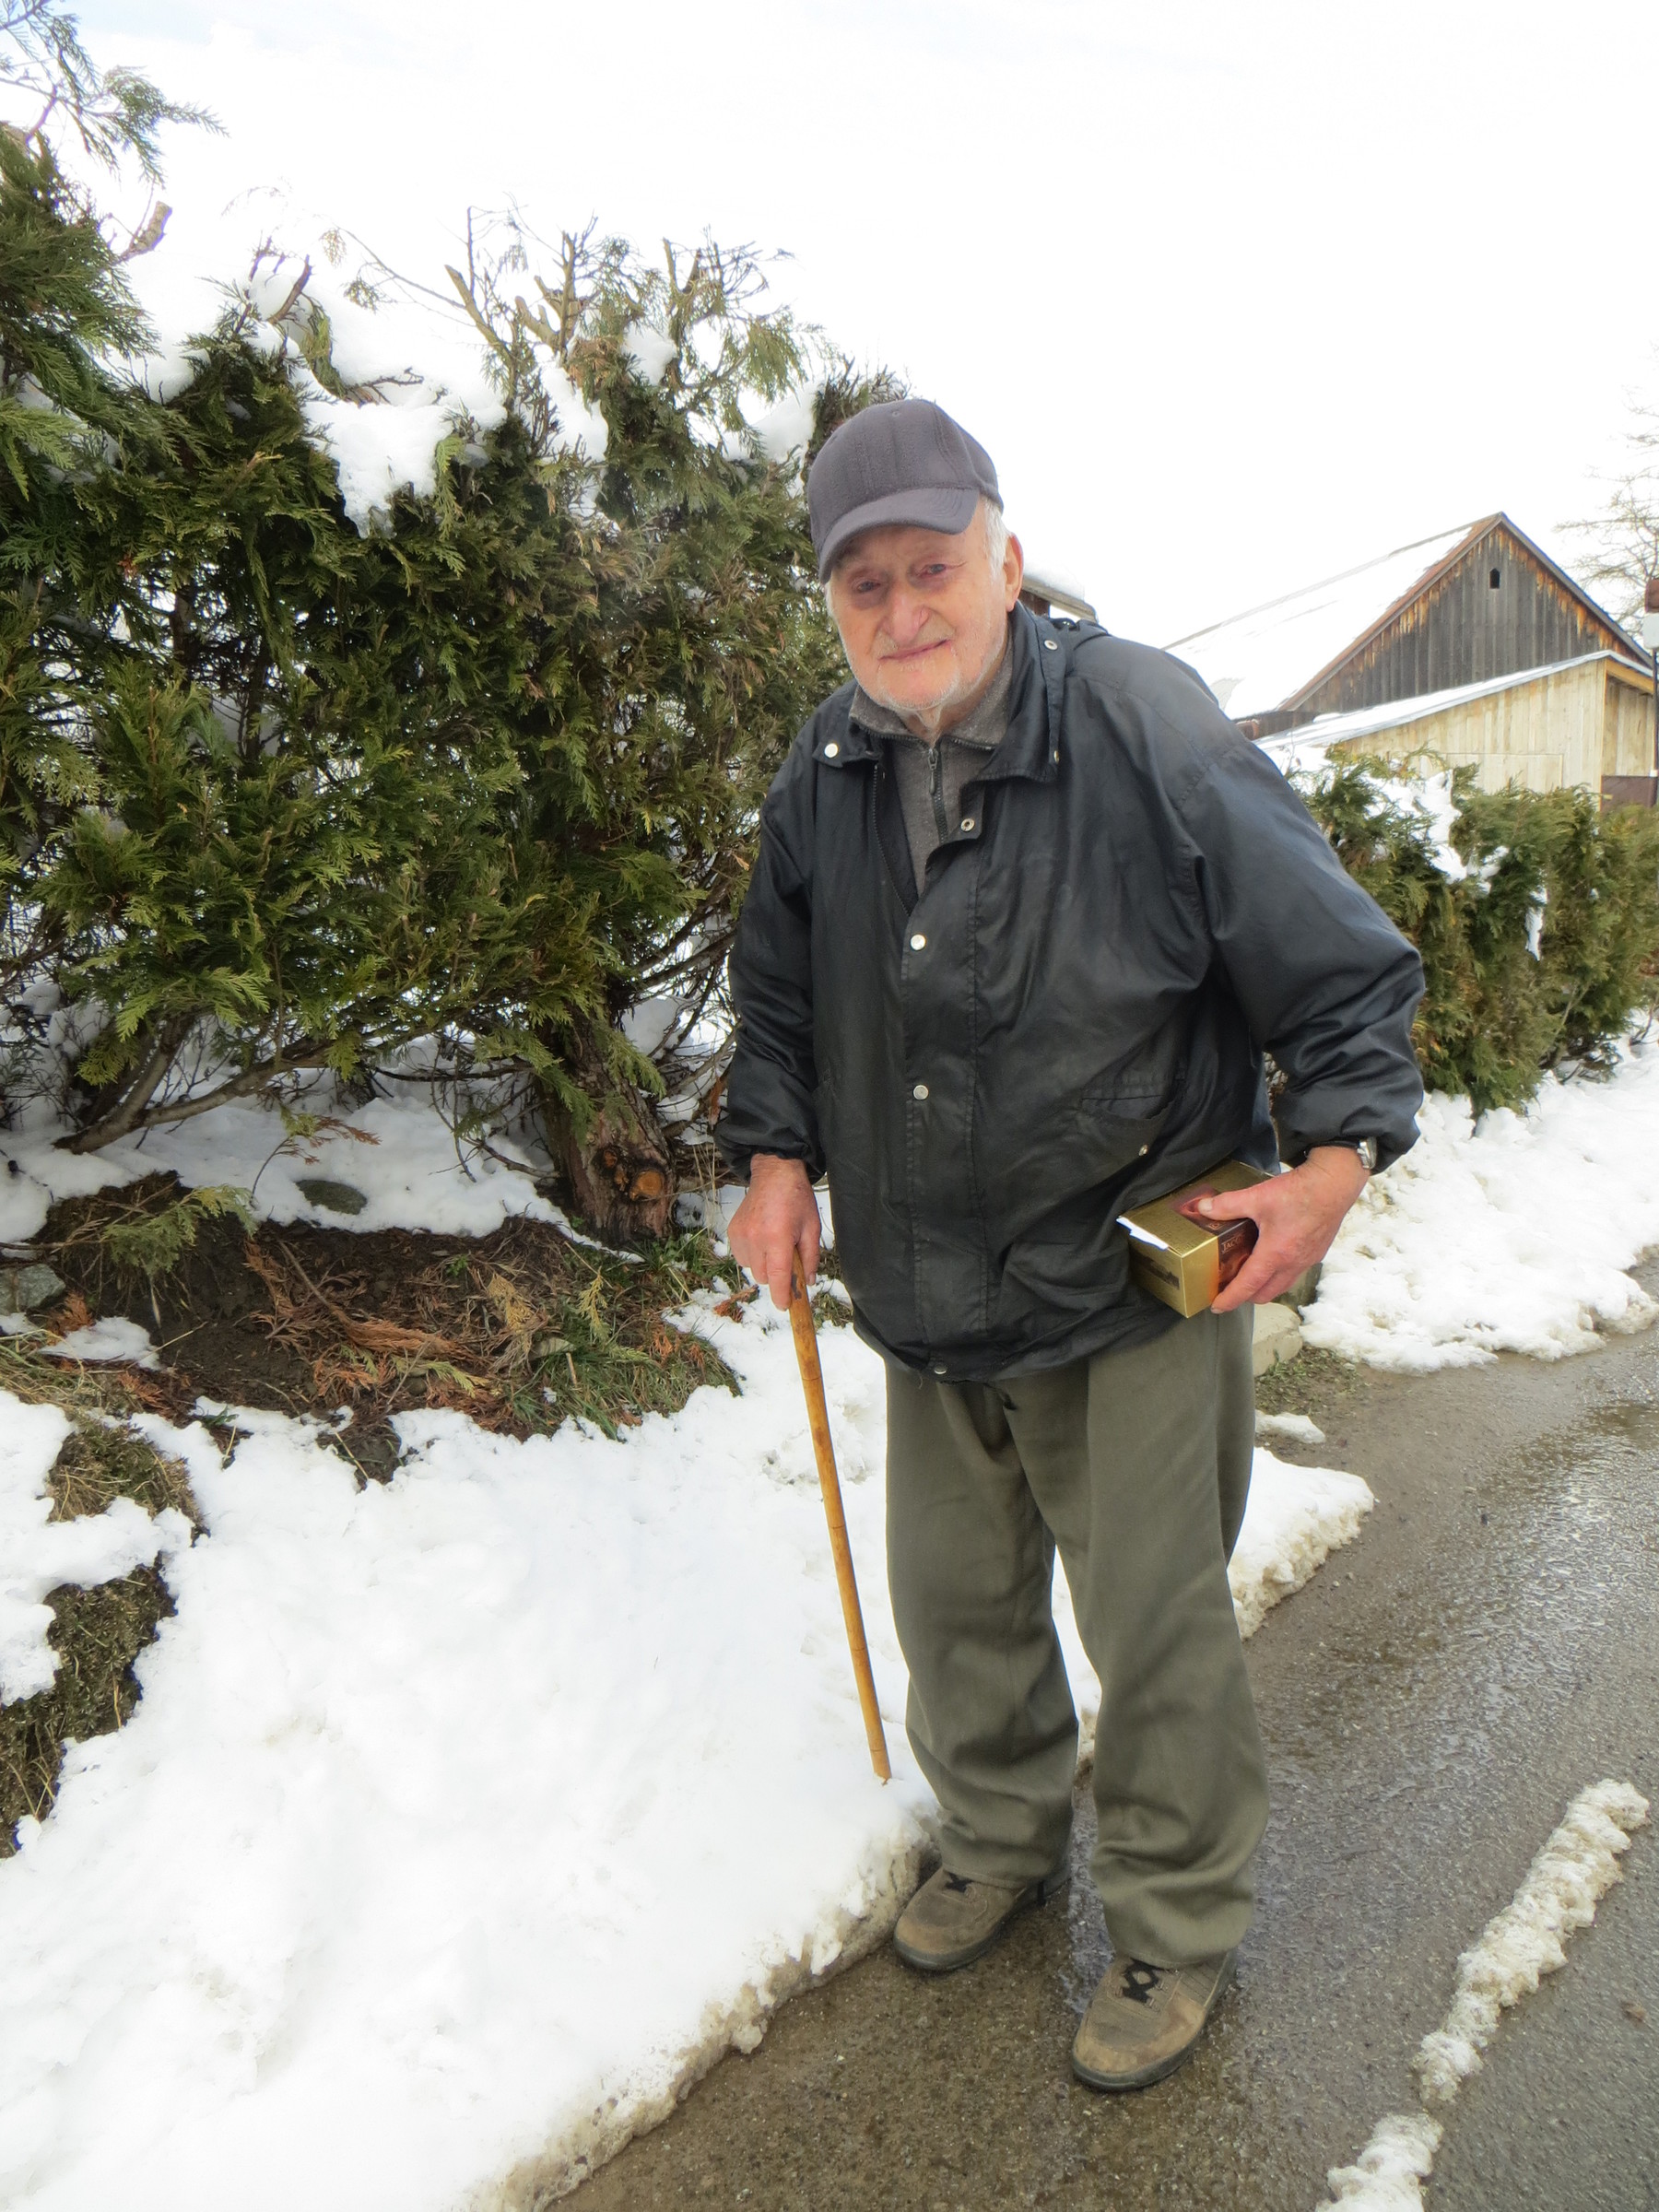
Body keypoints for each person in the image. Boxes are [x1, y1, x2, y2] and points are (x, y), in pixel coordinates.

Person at [717, 398, 1423, 2090]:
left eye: (933, 567)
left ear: (1007, 558)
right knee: (954, 1599)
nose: (904, 611)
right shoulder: (831, 763)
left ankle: (1174, 1923)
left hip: (1123, 1283)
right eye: (866, 584)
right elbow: (778, 990)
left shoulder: (1141, 722)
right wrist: (774, 1155)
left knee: (1153, 1620)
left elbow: (1340, 971)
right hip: (923, 1267)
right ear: (833, 603)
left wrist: (1331, 1169)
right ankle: (1000, 1835)